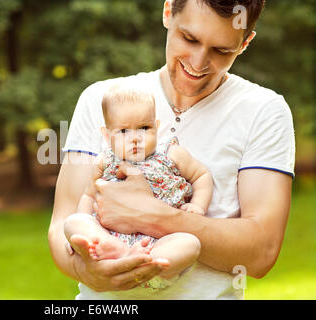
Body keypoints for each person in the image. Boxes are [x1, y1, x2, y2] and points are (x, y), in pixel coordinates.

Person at [48, 0, 295, 300]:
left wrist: (152, 215)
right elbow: (63, 222)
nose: (198, 62)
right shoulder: (100, 99)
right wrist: (87, 272)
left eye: (222, 51)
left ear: (245, 43)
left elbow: (261, 253)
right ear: (168, 12)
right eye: (189, 39)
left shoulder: (264, 112)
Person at [64, 82, 213, 290]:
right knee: (73, 222)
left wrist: (198, 205)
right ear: (107, 136)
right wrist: (89, 228)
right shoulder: (105, 162)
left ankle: (150, 263)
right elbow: (89, 196)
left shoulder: (171, 154)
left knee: (190, 243)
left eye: (144, 128)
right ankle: (115, 251)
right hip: (111, 237)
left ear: (156, 126)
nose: (135, 138)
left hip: (160, 241)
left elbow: (202, 175)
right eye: (123, 131)